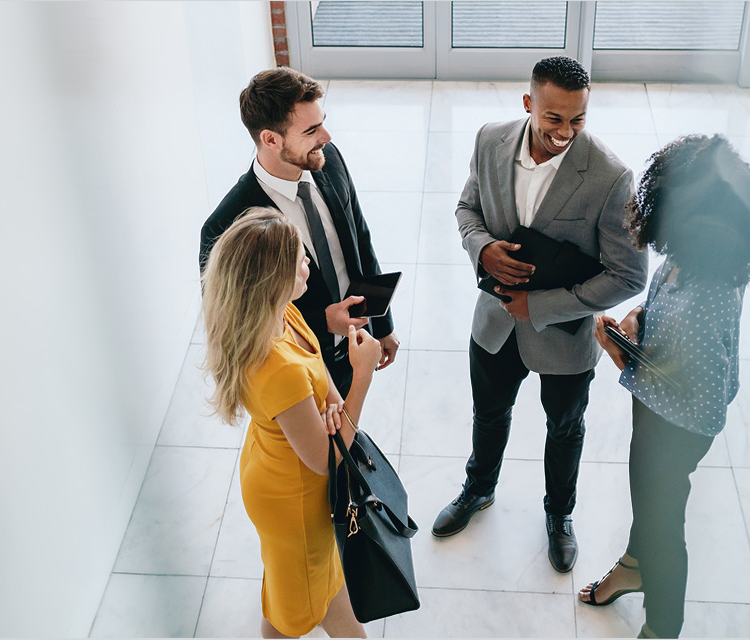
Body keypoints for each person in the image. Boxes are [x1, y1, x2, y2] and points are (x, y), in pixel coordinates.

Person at [432, 56, 648, 574]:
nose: (565, 132)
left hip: (565, 338)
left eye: (578, 120)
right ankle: (479, 489)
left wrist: (542, 306)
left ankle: (559, 515)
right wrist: (481, 247)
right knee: (489, 414)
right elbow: (467, 210)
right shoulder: (489, 140)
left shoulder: (612, 177)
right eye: (553, 119)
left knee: (565, 429)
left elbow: (628, 276)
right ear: (528, 104)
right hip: (494, 324)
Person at [576, 134, 750, 639]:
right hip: (656, 415)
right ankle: (632, 564)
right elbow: (665, 315)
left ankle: (662, 628)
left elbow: (705, 400)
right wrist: (639, 323)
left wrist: (622, 356)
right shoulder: (693, 256)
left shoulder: (712, 290)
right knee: (649, 505)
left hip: (676, 430)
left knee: (664, 527)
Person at [202, 207, 385, 638]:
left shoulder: (282, 312)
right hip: (295, 498)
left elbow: (320, 383)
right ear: (272, 279)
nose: (308, 263)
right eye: (299, 259)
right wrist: (363, 375)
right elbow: (326, 458)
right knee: (296, 608)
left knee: (300, 588)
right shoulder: (276, 367)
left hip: (278, 469)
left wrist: (334, 404)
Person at [199, 68, 399, 398]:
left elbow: (360, 239)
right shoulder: (226, 226)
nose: (327, 137)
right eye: (311, 130)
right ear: (271, 139)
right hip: (297, 374)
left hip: (354, 347)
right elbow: (234, 328)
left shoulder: (327, 159)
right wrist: (322, 323)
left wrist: (384, 323)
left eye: (322, 121)